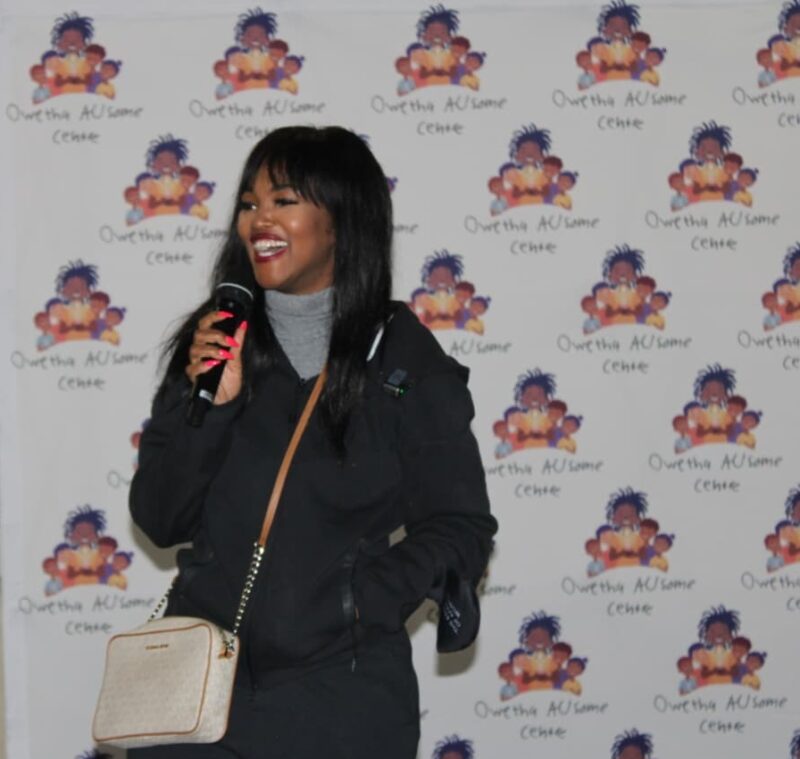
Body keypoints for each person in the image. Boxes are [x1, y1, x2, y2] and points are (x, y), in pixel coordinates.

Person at [129, 126, 497, 759]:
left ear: (342, 221)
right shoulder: (216, 341)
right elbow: (160, 519)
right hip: (198, 702)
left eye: (285, 200)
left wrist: (360, 600)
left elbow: (460, 525)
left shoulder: (403, 362)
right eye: (249, 204)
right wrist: (211, 411)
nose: (259, 220)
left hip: (342, 705)